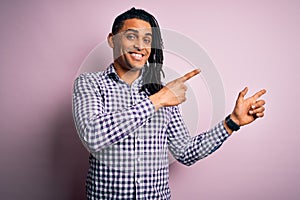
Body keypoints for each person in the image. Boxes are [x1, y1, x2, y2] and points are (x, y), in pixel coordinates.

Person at [72, 7, 266, 200]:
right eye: (131, 36)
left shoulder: (163, 93)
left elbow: (185, 152)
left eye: (147, 40)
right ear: (112, 39)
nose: (141, 46)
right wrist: (157, 100)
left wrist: (232, 122)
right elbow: (93, 135)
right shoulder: (90, 83)